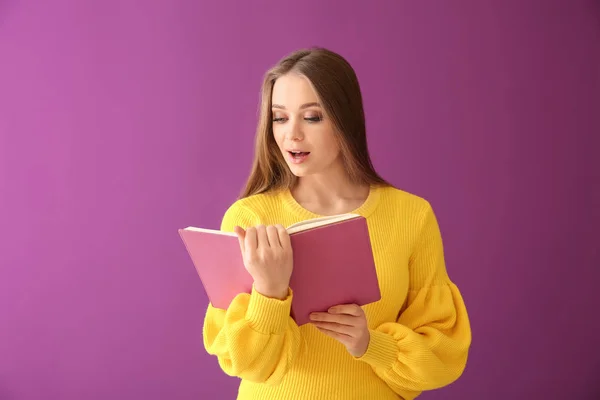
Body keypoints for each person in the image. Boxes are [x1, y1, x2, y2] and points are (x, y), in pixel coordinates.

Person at [202, 47, 472, 400]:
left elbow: (444, 354)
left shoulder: (411, 216)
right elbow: (241, 361)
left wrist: (371, 344)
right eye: (280, 118)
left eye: (312, 117)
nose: (292, 135)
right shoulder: (248, 218)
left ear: (344, 121)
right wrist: (270, 291)